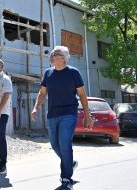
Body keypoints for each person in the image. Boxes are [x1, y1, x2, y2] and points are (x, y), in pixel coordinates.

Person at [31, 46, 94, 190]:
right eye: (52, 54)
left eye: (55, 54)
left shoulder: (73, 73)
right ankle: (69, 163)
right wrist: (36, 107)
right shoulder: (48, 73)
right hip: (52, 114)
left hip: (69, 113)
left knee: (65, 144)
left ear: (64, 58)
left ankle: (66, 179)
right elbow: (42, 93)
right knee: (54, 145)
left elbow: (82, 95)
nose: (52, 56)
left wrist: (87, 115)